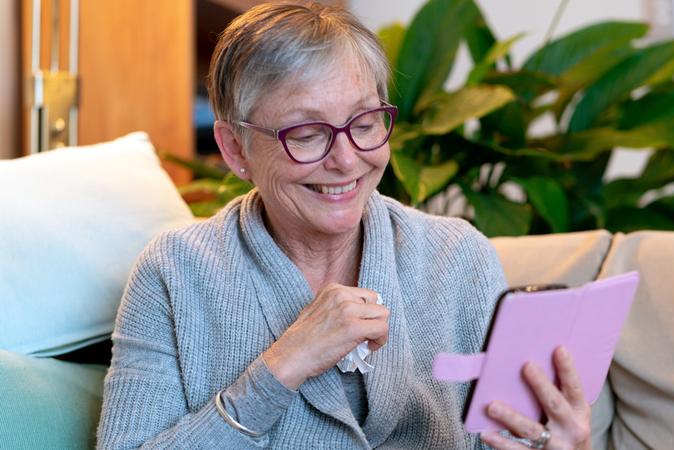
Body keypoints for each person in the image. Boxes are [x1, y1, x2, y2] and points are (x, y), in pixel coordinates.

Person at [97, 2, 591, 449]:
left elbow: (507, 437)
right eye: (308, 134)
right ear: (234, 149)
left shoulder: (458, 257)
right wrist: (282, 366)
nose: (346, 159)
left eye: (365, 123)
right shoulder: (175, 271)